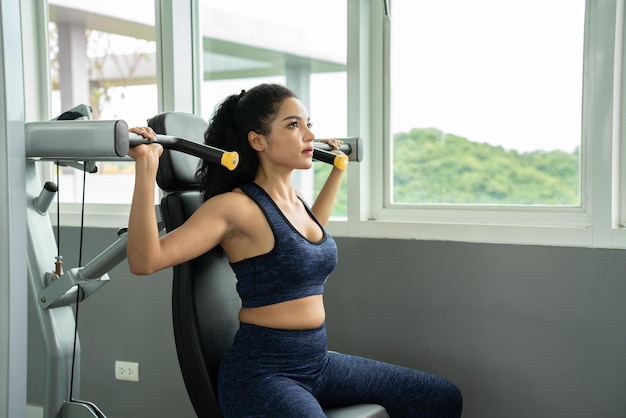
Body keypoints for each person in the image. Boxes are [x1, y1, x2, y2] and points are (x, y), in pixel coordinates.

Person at [127, 83, 462, 417]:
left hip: (316, 363)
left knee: (440, 397)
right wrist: (146, 169)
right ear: (257, 140)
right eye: (293, 125)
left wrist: (336, 172)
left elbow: (308, 243)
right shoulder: (234, 207)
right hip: (262, 374)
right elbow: (145, 261)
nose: (309, 135)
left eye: (308, 124)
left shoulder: (295, 202)